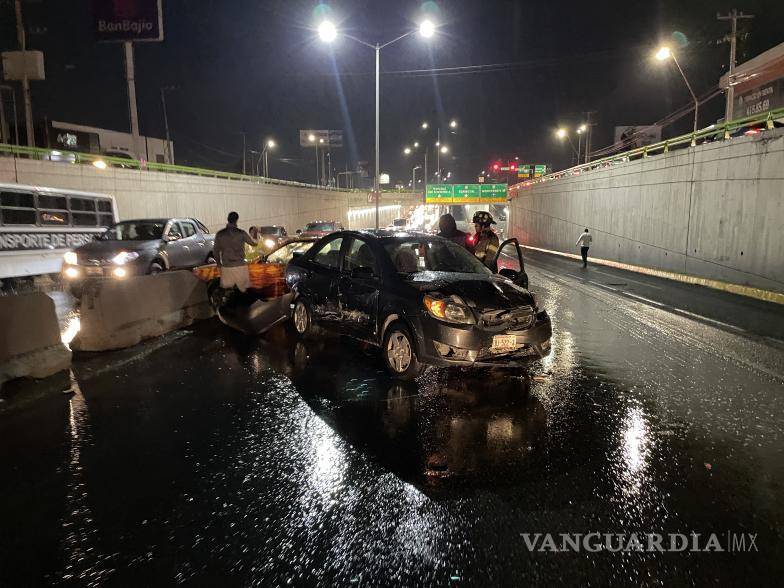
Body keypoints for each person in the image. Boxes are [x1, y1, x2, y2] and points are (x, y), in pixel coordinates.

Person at [214, 211, 257, 292]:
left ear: (228, 219)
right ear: (237, 220)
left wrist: (219, 264)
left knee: (228, 292)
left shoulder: (220, 234)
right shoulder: (241, 233)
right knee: (243, 292)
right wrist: (255, 234)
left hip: (226, 267)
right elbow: (254, 243)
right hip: (240, 266)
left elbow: (215, 251)